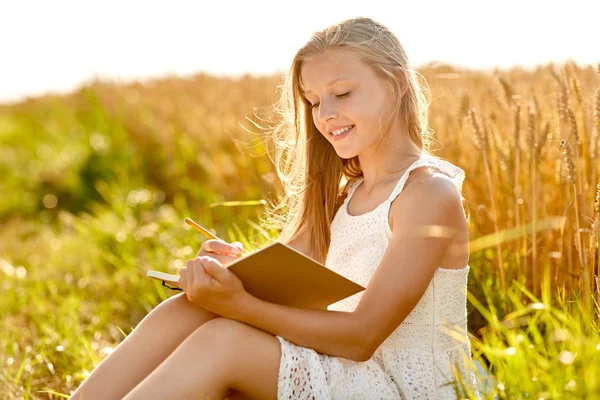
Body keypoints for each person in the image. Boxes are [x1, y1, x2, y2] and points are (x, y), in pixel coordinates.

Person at [71, 16, 481, 400]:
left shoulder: (428, 194)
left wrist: (241, 305)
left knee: (224, 341)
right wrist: (232, 273)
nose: (326, 114)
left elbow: (362, 337)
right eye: (314, 101)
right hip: (349, 370)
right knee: (188, 307)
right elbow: (286, 286)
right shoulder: (344, 194)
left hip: (408, 388)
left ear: (394, 84)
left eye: (341, 93)